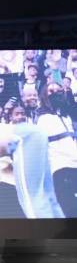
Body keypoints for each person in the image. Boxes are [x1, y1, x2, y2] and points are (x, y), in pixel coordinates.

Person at [37, 83, 77, 216]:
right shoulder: (43, 119)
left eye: (59, 90)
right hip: (61, 169)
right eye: (51, 91)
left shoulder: (66, 117)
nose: (56, 93)